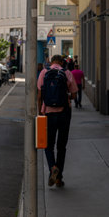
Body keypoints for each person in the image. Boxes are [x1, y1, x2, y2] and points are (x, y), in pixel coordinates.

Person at [37, 54, 77, 188]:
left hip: (48, 112)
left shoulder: (44, 72)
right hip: (64, 113)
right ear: (61, 62)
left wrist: (40, 113)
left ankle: (52, 167)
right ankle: (59, 179)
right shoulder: (66, 73)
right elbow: (74, 94)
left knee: (48, 145)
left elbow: (39, 95)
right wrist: (65, 97)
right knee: (61, 146)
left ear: (52, 61)